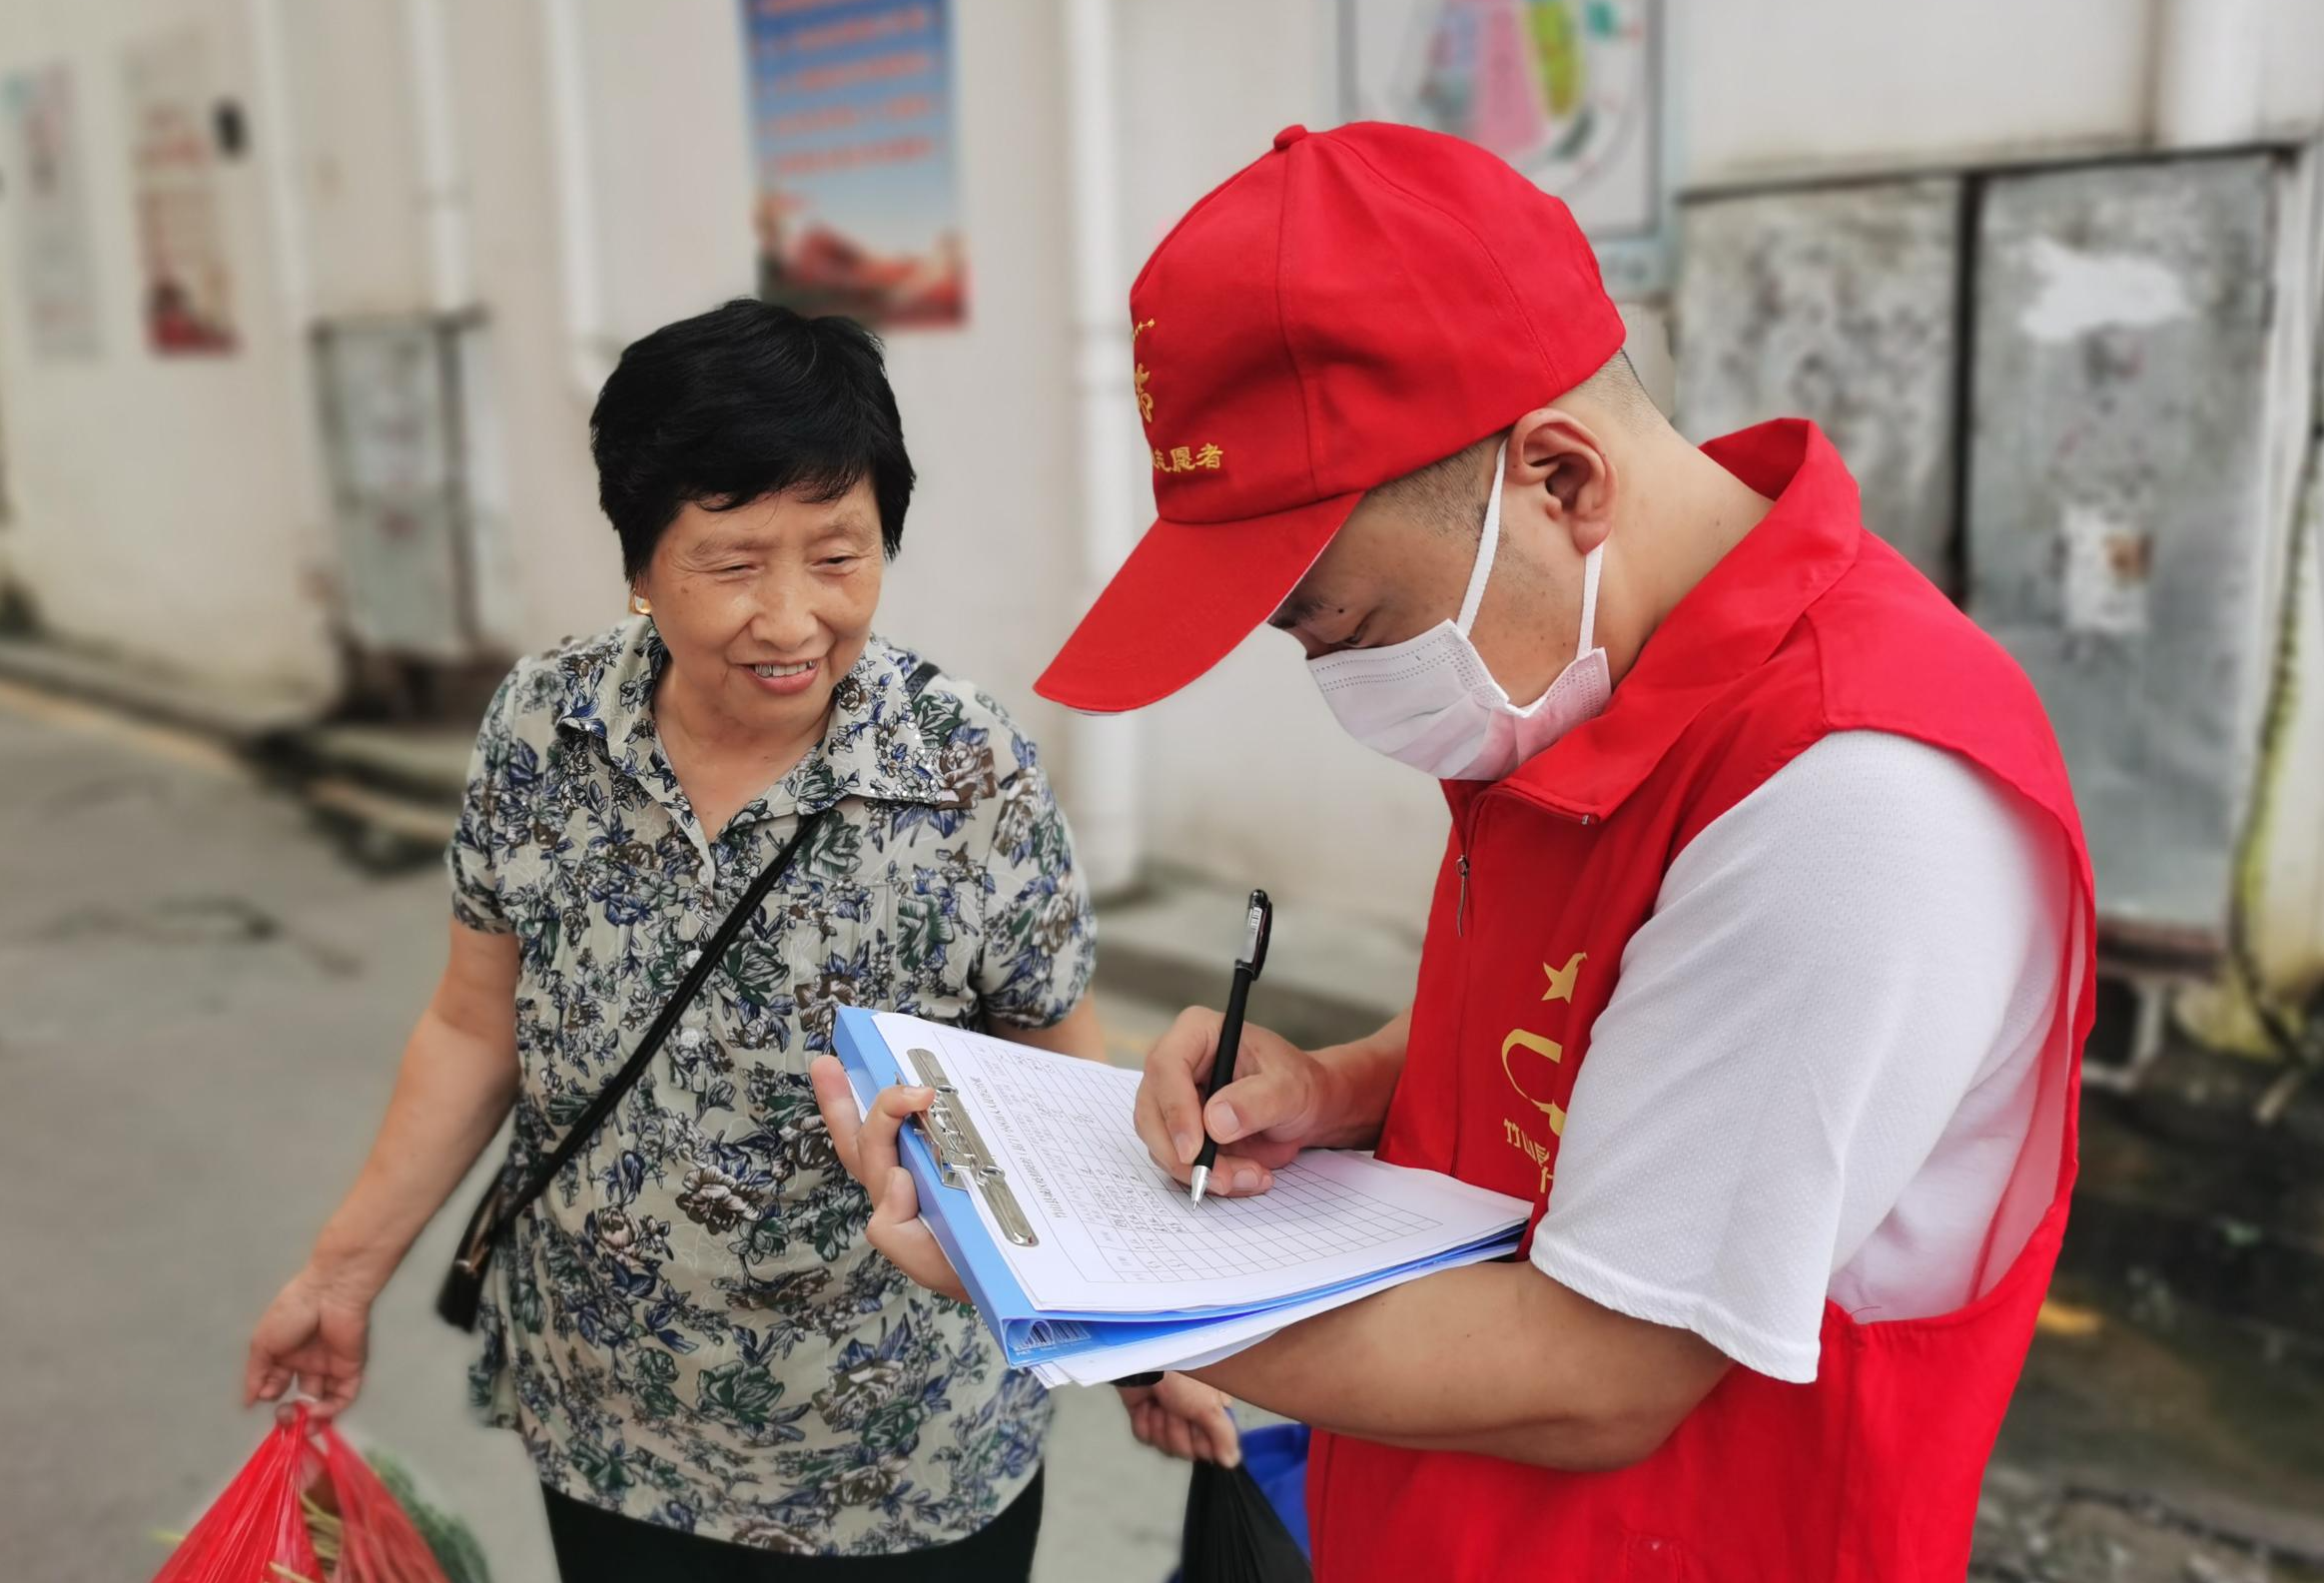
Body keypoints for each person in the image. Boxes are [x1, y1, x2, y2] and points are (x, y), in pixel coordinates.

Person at [813, 124, 2095, 1580]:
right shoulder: (1594, 682)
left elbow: (1603, 1368)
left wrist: (1065, 1282)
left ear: (1559, 481)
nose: (1334, 678)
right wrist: (1340, 1088)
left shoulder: (1849, 799)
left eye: (1342, 625)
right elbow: (1595, 1023)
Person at [244, 301, 1234, 1579]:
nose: (790, 619)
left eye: (839, 555)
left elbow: (1055, 1076)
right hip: (616, 1421)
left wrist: (1136, 1340)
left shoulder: (964, 765)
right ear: (640, 561)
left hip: (906, 1442)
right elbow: (474, 1024)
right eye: (730, 561)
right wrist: (339, 1273)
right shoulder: (546, 731)